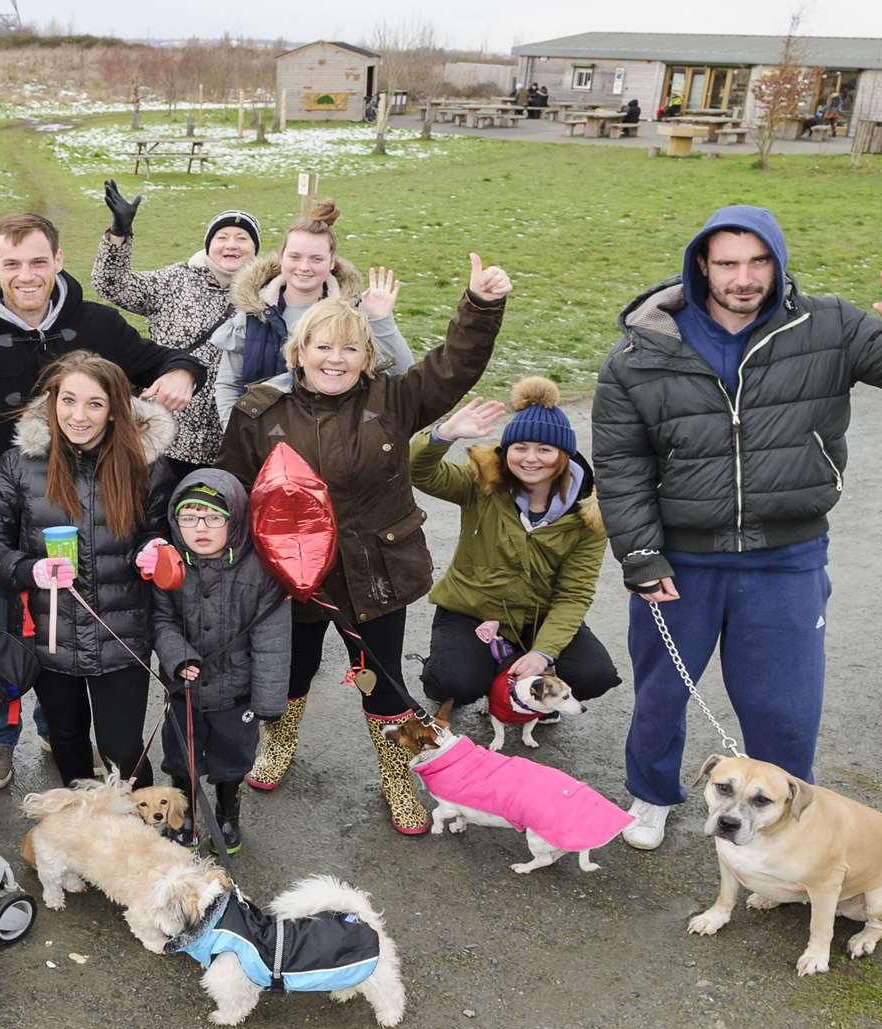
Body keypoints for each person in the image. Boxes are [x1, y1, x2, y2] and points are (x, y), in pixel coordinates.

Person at [592, 204, 882, 851]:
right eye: (728, 264)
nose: (744, 278)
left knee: (784, 705)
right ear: (700, 268)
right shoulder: (643, 348)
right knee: (662, 692)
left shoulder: (827, 325)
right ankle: (652, 795)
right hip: (681, 559)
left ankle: (783, 821)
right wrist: (641, 553)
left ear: (777, 262)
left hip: (787, 556)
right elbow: (620, 461)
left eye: (758, 261)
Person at [219, 253, 514, 835]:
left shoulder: (393, 401)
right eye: (322, 347)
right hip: (295, 579)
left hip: (376, 573)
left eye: (350, 348)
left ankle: (398, 774)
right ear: (299, 352)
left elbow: (455, 368)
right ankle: (279, 747)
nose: (336, 359)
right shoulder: (259, 412)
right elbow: (233, 490)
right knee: (291, 674)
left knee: (382, 683)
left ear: (367, 356)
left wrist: (479, 306)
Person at [0, 212, 204, 790]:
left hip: (99, 541)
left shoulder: (96, 324)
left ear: (57, 261)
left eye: (37, 261)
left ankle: (65, 733)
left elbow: (162, 362)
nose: (25, 275)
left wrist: (182, 370)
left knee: (74, 676)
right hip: (1, 526)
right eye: (12, 263)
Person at [0, 352, 174, 790]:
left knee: (122, 748)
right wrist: (29, 569)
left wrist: (154, 546)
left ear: (116, 409)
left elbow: (161, 529)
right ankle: (85, 830)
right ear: (51, 401)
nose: (78, 416)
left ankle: (146, 836)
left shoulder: (145, 465)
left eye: (95, 404)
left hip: (122, 635)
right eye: (68, 400)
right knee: (66, 740)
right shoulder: (18, 465)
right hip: (49, 635)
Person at [409, 376, 620, 725]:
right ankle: (485, 672)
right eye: (520, 447)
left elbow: (574, 594)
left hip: (537, 619)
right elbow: (419, 472)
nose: (530, 459)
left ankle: (529, 687)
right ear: (506, 451)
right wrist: (444, 434)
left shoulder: (589, 515)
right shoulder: (481, 483)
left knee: (593, 674)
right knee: (452, 681)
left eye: (544, 449)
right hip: (470, 610)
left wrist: (543, 652)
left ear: (563, 455)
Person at [149, 469, 291, 854]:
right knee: (181, 758)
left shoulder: (261, 569)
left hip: (237, 692)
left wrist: (268, 700)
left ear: (235, 519)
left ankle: (228, 815)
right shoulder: (171, 564)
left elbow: (272, 638)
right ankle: (184, 814)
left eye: (214, 517)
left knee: (233, 758)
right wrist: (178, 659)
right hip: (185, 692)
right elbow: (161, 621)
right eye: (189, 517)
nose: (201, 527)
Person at [92, 181, 259, 482]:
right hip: (167, 436)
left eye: (242, 238)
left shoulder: (266, 295)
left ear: (255, 249)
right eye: (222, 237)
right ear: (209, 244)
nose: (231, 244)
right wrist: (119, 234)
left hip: (232, 441)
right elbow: (111, 284)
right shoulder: (175, 281)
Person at [210, 200, 415, 428]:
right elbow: (229, 385)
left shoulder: (353, 315)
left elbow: (402, 374)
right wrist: (238, 435)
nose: (304, 267)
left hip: (336, 444)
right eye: (295, 257)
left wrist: (381, 320)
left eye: (316, 259)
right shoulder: (253, 314)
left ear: (331, 262)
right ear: (281, 258)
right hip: (262, 447)